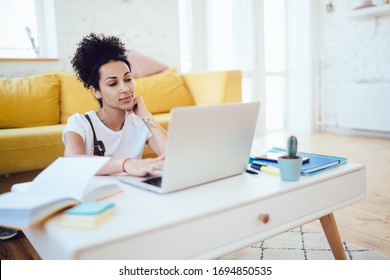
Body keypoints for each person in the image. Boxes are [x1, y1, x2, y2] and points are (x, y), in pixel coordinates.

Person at [62, 33, 167, 176]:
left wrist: (146, 115)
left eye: (128, 79)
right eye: (113, 83)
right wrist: (126, 164)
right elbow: (72, 162)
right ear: (96, 91)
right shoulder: (80, 123)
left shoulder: (140, 123)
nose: (125, 88)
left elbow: (173, 157)